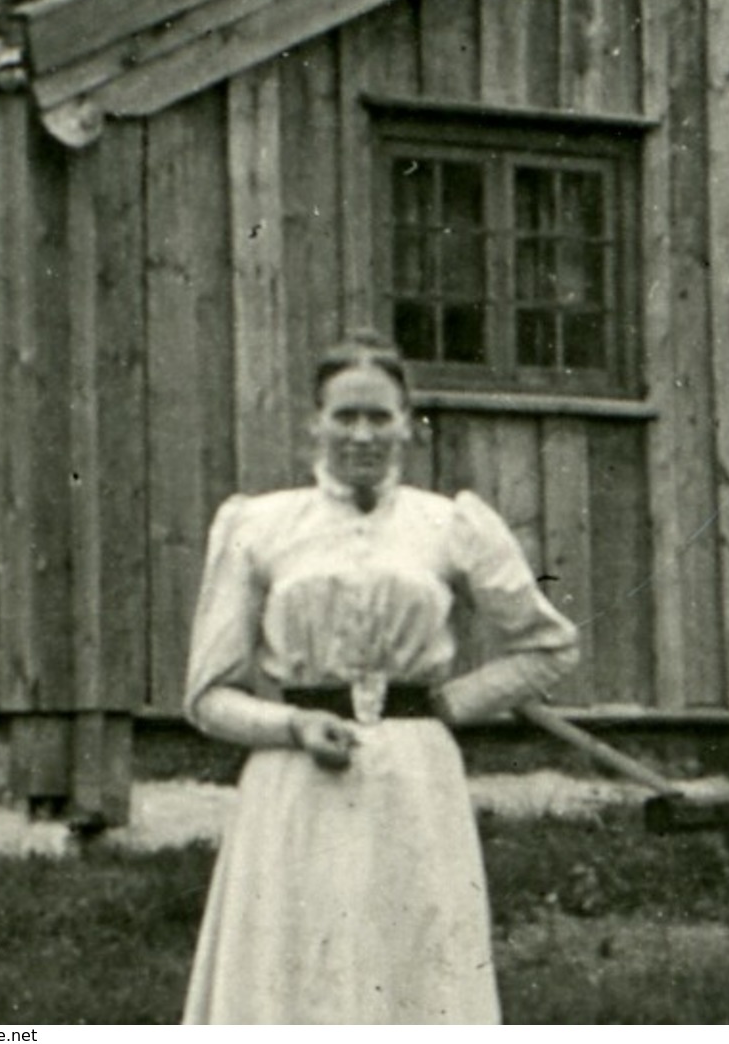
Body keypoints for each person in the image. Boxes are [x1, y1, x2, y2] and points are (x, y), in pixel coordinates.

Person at [181, 330, 580, 1025]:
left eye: (378, 416)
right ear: (315, 423)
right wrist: (291, 725)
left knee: (414, 957)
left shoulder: (447, 524)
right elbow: (207, 697)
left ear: (406, 425)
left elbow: (548, 644)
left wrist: (452, 702)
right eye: (344, 415)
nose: (361, 434)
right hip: (294, 781)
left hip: (414, 783)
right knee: (296, 962)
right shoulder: (260, 526)